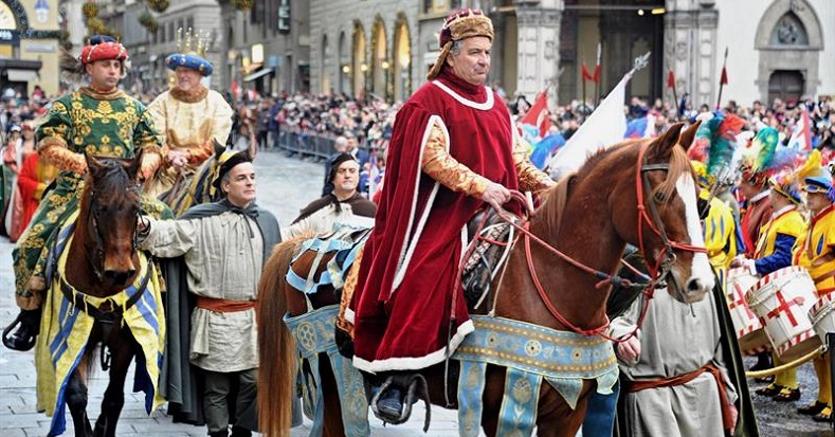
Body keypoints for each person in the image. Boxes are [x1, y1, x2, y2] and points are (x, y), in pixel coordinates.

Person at [347, 8, 555, 421]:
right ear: (451, 54)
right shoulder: (429, 100)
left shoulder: (497, 104)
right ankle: (399, 376)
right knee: (424, 271)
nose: (483, 61)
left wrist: (551, 186)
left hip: (501, 208)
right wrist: (483, 186)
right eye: (475, 52)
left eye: (487, 53)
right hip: (444, 212)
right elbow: (432, 158)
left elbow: (516, 160)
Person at [4, 35, 170, 351]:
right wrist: (85, 165)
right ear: (89, 67)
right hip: (76, 189)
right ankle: (30, 315)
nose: (113, 70)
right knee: (29, 243)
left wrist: (143, 167)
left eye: (117, 65)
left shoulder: (136, 109)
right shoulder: (67, 106)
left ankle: (163, 301)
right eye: (106, 64)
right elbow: (49, 143)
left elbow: (153, 146)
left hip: (124, 190)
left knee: (169, 225)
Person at [138, 151, 280, 437]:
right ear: (225, 186)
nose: (250, 183)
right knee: (217, 386)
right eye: (242, 178)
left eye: (252, 177)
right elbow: (168, 234)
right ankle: (218, 433)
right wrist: (145, 226)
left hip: (252, 320)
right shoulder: (201, 221)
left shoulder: (266, 221)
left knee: (252, 380)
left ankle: (241, 428)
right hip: (214, 319)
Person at [732, 129, 808, 403]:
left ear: (785, 198)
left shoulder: (787, 220)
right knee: (778, 337)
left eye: (775, 192)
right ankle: (781, 380)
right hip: (771, 282)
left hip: (782, 281)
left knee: (788, 338)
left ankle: (793, 384)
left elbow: (783, 256)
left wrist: (754, 265)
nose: (771, 194)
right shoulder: (777, 216)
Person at [146, 28, 234, 213]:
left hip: (207, 172)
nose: (183, 75)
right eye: (180, 70)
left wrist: (187, 155)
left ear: (200, 74)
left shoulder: (217, 102)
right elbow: (153, 137)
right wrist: (170, 156)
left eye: (190, 71)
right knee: (148, 209)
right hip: (168, 171)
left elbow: (217, 141)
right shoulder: (161, 102)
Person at [793, 150, 834, 422]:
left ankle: (832, 402)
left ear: (825, 195)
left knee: (831, 352)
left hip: (830, 293)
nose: (807, 198)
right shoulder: (815, 219)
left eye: (813, 194)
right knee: (818, 352)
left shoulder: (832, 219)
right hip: (814, 292)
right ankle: (823, 397)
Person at [284, 153, 376, 240]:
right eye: (342, 171)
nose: (347, 175)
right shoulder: (317, 207)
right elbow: (289, 236)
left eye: (352, 171)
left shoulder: (371, 209)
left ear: (358, 177)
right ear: (332, 178)